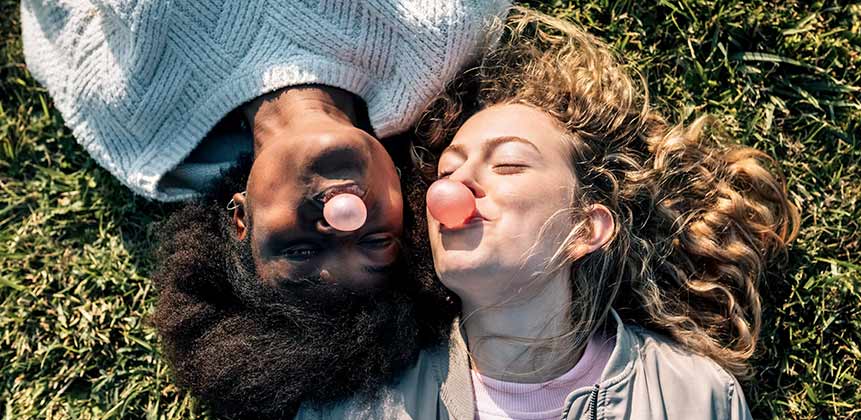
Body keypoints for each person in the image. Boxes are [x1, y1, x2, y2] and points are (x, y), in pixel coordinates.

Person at [294, 7, 799, 419]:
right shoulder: (356, 401)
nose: (457, 187)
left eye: (508, 163)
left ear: (586, 227)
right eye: (447, 172)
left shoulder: (695, 397)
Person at [20, 0, 509, 417]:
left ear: (240, 220)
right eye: (377, 242)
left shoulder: (136, 125)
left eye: (299, 252)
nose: (341, 223)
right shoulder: (442, 37)